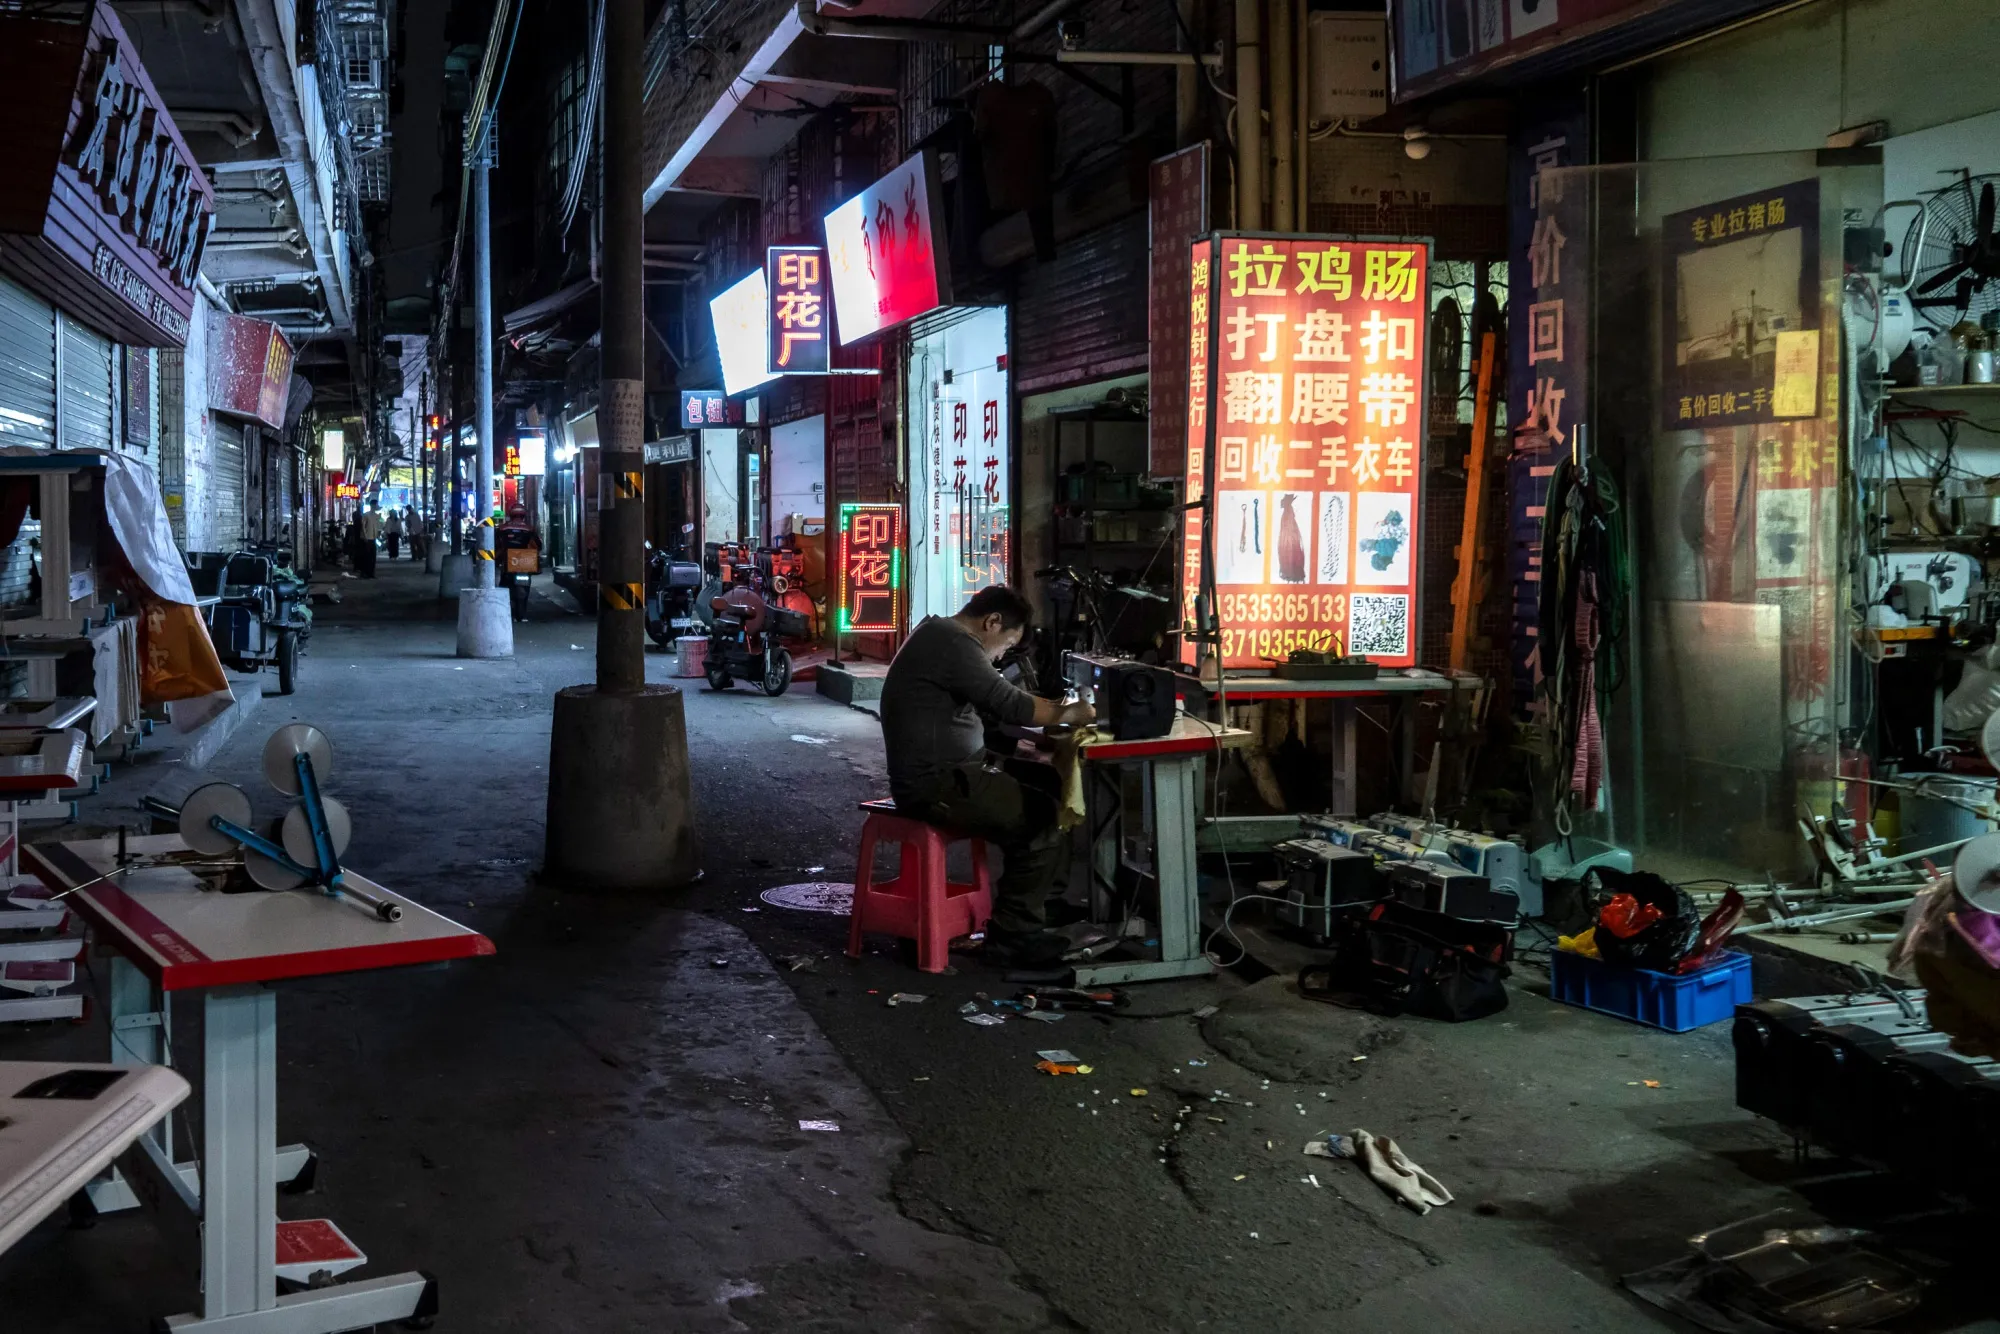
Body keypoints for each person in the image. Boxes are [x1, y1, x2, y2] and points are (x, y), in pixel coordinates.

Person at [879, 585, 1095, 967]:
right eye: (1006, 644)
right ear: (992, 621)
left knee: (1050, 782)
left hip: (951, 770)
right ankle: (1015, 936)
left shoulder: (937, 633)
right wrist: (1069, 713)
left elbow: (991, 711)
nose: (999, 656)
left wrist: (1043, 727)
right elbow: (1008, 703)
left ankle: (1043, 901)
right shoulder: (954, 642)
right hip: (938, 783)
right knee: (1043, 819)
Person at [355, 506, 380, 578]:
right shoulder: (366, 515)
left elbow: (377, 526)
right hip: (367, 538)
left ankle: (371, 573)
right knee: (366, 556)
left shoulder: (376, 516)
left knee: (372, 556)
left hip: (373, 538)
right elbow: (363, 527)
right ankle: (365, 573)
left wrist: (377, 535)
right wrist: (365, 536)